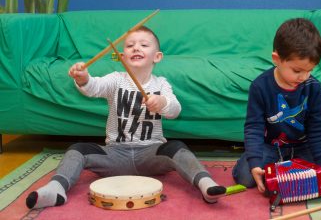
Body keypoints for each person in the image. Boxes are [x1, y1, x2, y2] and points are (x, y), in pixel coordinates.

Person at [26, 26, 226, 209]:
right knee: (77, 149)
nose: (136, 48)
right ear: (122, 56)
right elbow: (94, 88)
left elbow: (175, 110)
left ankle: (205, 184)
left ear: (157, 56)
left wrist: (162, 103)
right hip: (115, 155)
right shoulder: (115, 79)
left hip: (151, 153)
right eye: (130, 45)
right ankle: (56, 188)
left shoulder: (161, 84)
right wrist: (83, 78)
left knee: (177, 147)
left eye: (143, 45)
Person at [232, 18, 321, 194]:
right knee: (246, 176)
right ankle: (277, 170)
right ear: (277, 59)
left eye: (310, 70)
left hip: (303, 147)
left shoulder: (313, 87)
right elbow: (254, 127)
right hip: (271, 148)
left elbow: (318, 128)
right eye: (297, 71)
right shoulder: (260, 87)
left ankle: (284, 174)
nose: (304, 77)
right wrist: (255, 162)